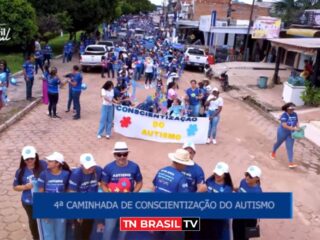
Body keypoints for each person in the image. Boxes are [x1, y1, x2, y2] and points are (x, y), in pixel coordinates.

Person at [102, 142, 143, 240]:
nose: (122, 157)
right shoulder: (108, 167)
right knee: (109, 229)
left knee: (124, 230)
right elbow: (103, 184)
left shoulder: (134, 166)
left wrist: (133, 194)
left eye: (125, 154)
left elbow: (139, 182)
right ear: (114, 155)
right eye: (119, 154)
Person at [152, 148, 194, 240]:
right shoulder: (181, 178)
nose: (185, 167)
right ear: (180, 163)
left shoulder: (161, 170)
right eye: (185, 164)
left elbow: (154, 188)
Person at [13, 146, 47, 240]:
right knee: (33, 221)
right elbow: (15, 187)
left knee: (45, 220)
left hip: (43, 199)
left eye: (32, 158)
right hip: (29, 202)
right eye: (27, 159)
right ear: (23, 159)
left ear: (36, 156)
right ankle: (36, 237)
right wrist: (25, 187)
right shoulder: (20, 171)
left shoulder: (43, 164)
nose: (29, 160)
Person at [68, 153, 102, 240]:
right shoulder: (76, 174)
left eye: (92, 165)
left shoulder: (98, 170)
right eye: (88, 166)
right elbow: (72, 193)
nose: (91, 168)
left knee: (88, 229)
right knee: (78, 231)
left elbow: (105, 181)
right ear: (81, 165)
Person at [38, 152, 71, 240]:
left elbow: (68, 191)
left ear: (57, 164)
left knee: (61, 233)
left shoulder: (66, 174)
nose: (47, 162)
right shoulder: (43, 174)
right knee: (48, 234)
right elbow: (40, 192)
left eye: (50, 161)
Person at [201, 162, 233, 240]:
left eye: (219, 174)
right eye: (216, 172)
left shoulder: (227, 189)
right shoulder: (209, 180)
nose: (216, 175)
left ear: (225, 174)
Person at [233, 166, 262, 240]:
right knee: (235, 235)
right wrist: (233, 188)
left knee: (243, 237)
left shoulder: (257, 192)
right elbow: (240, 190)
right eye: (246, 174)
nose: (247, 177)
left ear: (257, 178)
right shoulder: (243, 181)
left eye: (250, 176)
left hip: (248, 220)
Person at [271, 102, 300, 168]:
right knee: (278, 143)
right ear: (287, 109)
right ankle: (273, 152)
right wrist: (294, 129)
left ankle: (291, 162)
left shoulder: (295, 114)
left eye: (293, 109)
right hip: (282, 132)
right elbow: (284, 125)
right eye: (291, 109)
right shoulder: (284, 115)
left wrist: (298, 127)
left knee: (290, 147)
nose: (292, 110)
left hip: (291, 133)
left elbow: (297, 121)